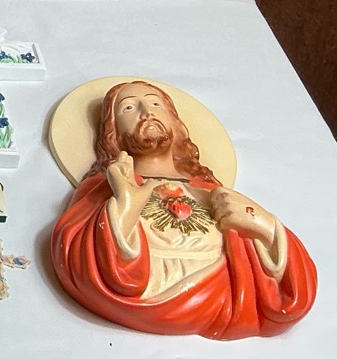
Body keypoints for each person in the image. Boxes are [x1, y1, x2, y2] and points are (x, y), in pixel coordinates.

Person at [51, 80, 316, 339]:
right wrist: (125, 207)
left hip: (224, 297)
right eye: (129, 108)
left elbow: (290, 292)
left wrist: (265, 226)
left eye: (156, 104)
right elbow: (77, 255)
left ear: (176, 122)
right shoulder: (106, 190)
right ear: (113, 132)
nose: (146, 112)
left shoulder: (214, 194)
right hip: (139, 289)